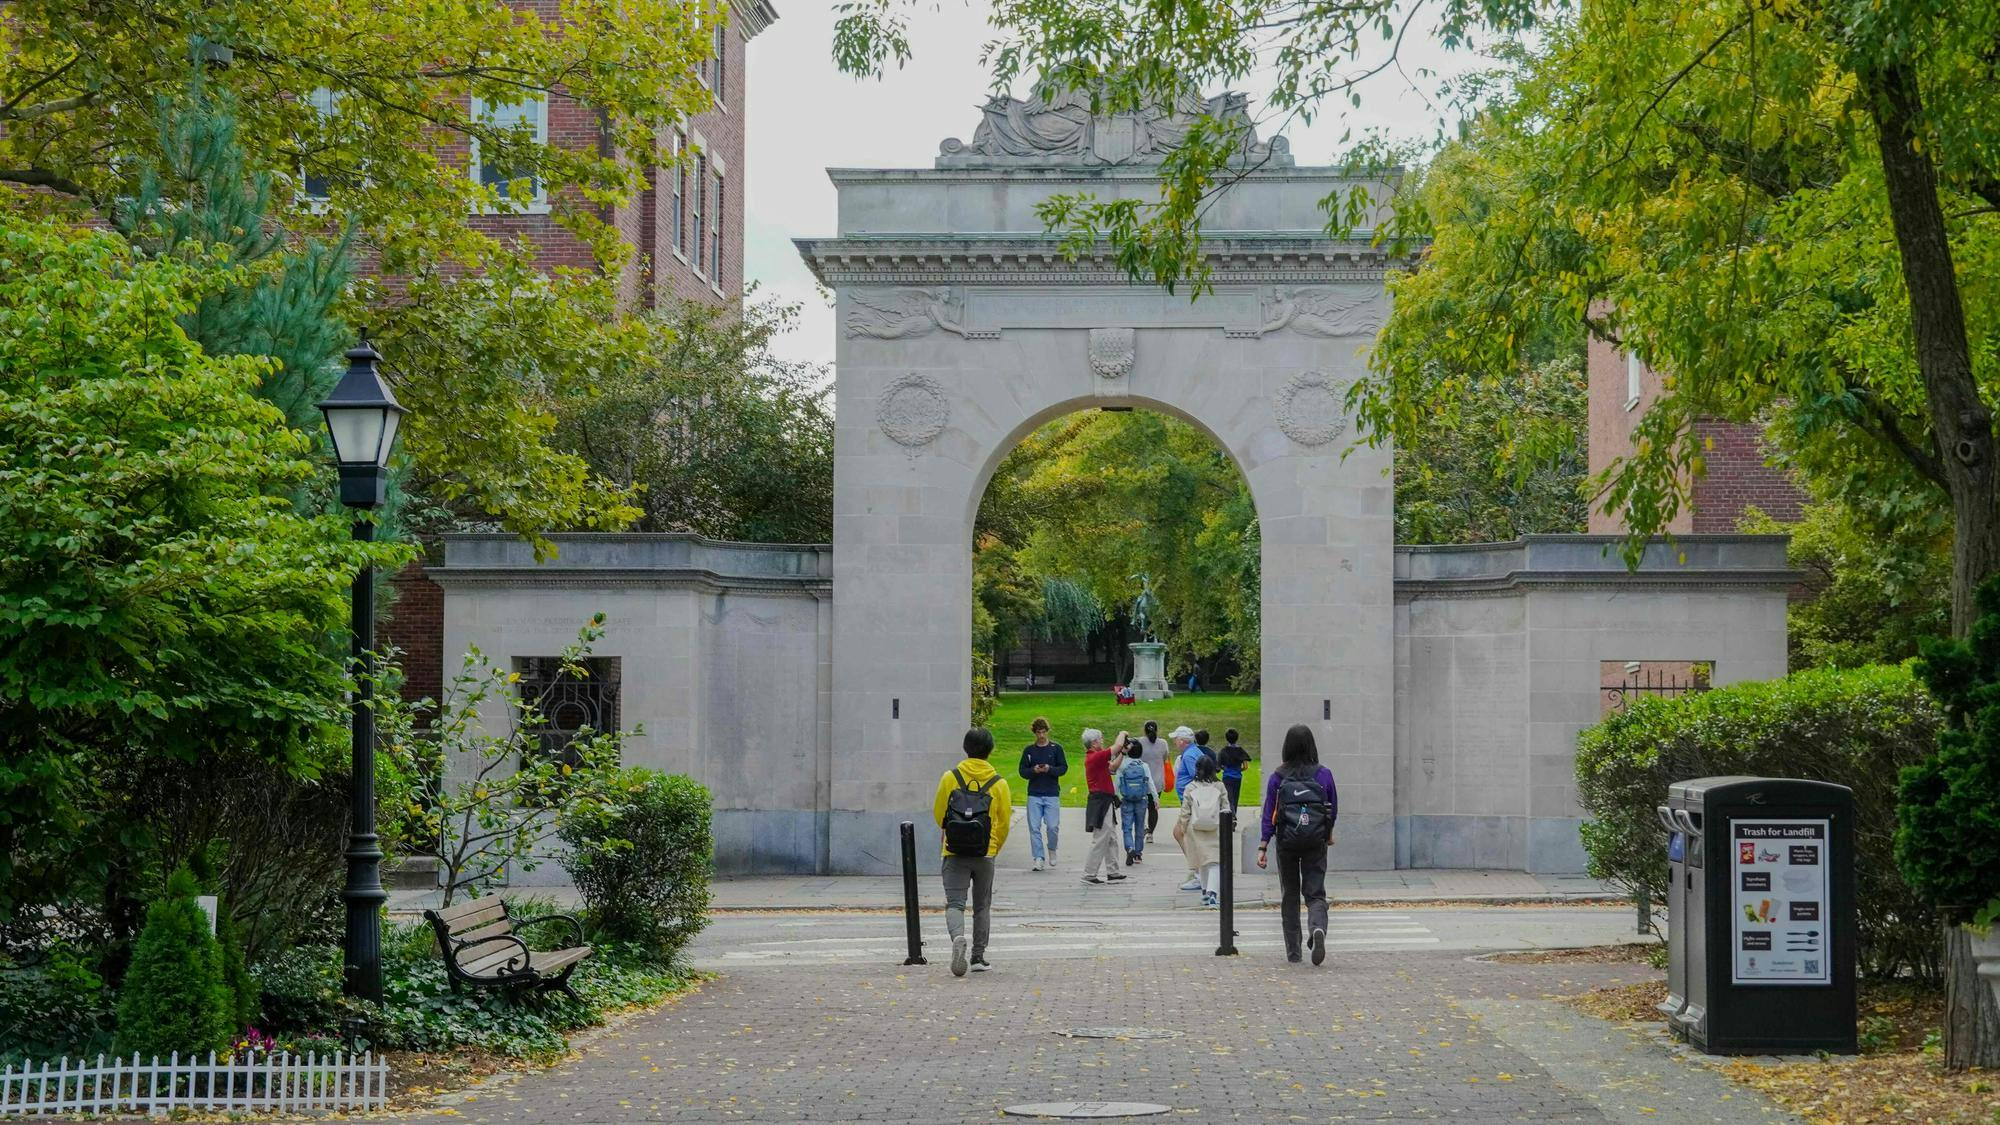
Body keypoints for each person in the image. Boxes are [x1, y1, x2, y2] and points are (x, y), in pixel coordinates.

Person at [933, 727, 1013, 976]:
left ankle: (958, 937)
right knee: (982, 906)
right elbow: (1004, 823)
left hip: (954, 851)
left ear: (966, 748)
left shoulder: (950, 777)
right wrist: (994, 847)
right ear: (990, 750)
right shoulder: (999, 783)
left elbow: (939, 815)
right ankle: (978, 956)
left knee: (955, 904)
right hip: (984, 853)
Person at [1258, 724, 1338, 965]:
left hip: (1286, 842)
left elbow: (1268, 813)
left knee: (1289, 895)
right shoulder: (1324, 775)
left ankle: (1294, 952)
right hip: (1315, 841)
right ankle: (1318, 928)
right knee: (1315, 893)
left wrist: (1263, 846)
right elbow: (1331, 809)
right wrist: (1328, 833)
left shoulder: (1277, 777)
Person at [1078, 729, 1130, 885]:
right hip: (1100, 801)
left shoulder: (1098, 758)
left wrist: (1124, 753)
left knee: (1111, 837)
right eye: (1100, 739)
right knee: (1101, 837)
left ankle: (1113, 872)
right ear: (1094, 742)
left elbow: (1113, 767)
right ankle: (1089, 873)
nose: (1102, 741)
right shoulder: (1094, 757)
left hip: (1106, 801)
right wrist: (1122, 733)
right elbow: (1118, 744)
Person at [1017, 717, 1067, 872]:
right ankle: (1038, 857)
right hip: (1034, 793)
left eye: (1043, 732)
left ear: (1047, 732)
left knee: (1052, 826)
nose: (1041, 735)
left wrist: (1049, 769)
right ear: (1035, 733)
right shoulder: (1029, 751)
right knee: (1034, 827)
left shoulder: (1056, 749)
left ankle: (1052, 847)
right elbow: (1022, 771)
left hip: (1051, 792)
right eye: (1038, 732)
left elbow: (1063, 768)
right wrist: (1034, 770)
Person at [1181, 757, 1231, 907]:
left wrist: (1183, 827)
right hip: (1215, 827)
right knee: (1215, 862)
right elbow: (1226, 807)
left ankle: (1204, 892)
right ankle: (1212, 893)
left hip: (1195, 828)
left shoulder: (1191, 787)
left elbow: (1185, 811)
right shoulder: (1219, 786)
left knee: (1201, 861)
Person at [1169, 726, 1203, 890]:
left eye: (1176, 739)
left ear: (1182, 741)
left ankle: (1197, 872)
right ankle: (1197, 870)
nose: (1175, 742)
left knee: (1183, 835)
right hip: (1191, 802)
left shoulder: (1189, 756)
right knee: (1182, 834)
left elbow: (1196, 778)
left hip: (1189, 803)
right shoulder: (1194, 752)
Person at [1113, 740, 1158, 865]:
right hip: (1141, 800)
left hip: (1126, 800)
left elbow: (1117, 783)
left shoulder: (1122, 765)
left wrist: (1114, 796)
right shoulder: (1144, 766)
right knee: (1139, 827)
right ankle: (1138, 854)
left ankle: (1130, 848)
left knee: (1127, 828)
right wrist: (1155, 798)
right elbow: (1150, 783)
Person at [1134, 720, 1170, 843]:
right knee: (1153, 808)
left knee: (1140, 806)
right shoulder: (1163, 743)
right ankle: (1150, 833)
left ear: (1144, 730)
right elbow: (1165, 758)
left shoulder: (1139, 742)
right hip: (1157, 781)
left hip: (1142, 780)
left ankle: (1142, 827)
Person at [1217, 728, 1252, 814]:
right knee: (1236, 797)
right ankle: (1234, 813)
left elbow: (1219, 765)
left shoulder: (1223, 751)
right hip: (1237, 777)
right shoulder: (1240, 751)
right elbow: (1245, 766)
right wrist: (1238, 770)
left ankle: (1231, 815)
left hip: (1227, 777)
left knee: (1229, 798)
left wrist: (1225, 769)